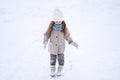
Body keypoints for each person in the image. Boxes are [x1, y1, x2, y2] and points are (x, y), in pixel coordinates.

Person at [43, 8, 79, 77]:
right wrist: (45, 41)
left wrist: (71, 41)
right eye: (56, 21)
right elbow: (46, 34)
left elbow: (67, 35)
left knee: (61, 59)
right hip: (52, 46)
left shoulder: (64, 27)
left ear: (62, 20)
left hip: (61, 47)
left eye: (59, 21)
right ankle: (52, 69)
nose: (58, 22)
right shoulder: (51, 27)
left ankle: (60, 69)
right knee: (52, 59)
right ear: (54, 20)